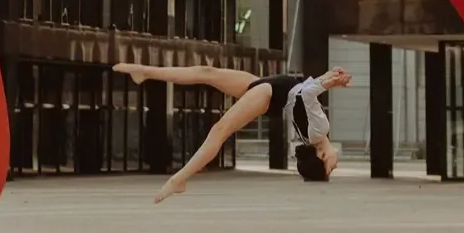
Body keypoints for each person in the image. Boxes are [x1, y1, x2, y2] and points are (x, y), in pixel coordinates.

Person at [111, 62, 353, 203]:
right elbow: (305, 95)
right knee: (207, 73)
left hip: (271, 92)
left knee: (220, 129)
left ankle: (179, 179)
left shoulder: (319, 132)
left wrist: (327, 82)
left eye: (330, 167)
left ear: (321, 156)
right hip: (272, 86)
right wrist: (328, 78)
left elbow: (306, 95)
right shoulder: (316, 134)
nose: (336, 164)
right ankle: (144, 71)